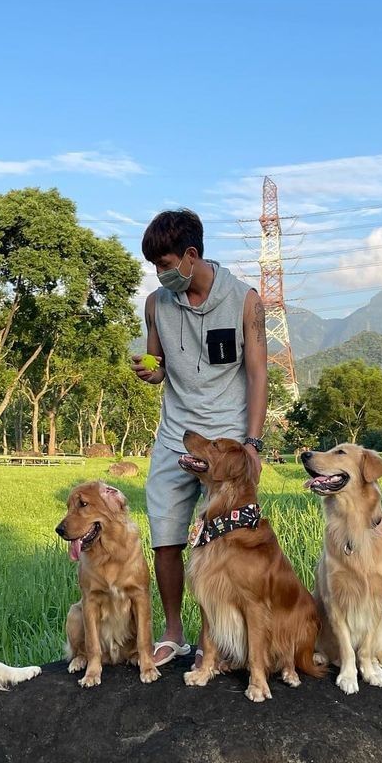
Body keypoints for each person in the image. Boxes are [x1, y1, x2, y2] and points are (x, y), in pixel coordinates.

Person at [131, 209, 268, 667]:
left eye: (165, 264)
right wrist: (150, 372)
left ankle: (231, 638)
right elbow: (159, 365)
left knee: (232, 542)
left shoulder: (245, 301)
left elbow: (257, 373)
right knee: (166, 537)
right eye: (155, 266)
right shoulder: (156, 304)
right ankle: (174, 633)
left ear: (192, 255)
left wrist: (253, 444)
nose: (160, 274)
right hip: (176, 436)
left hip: (228, 441)